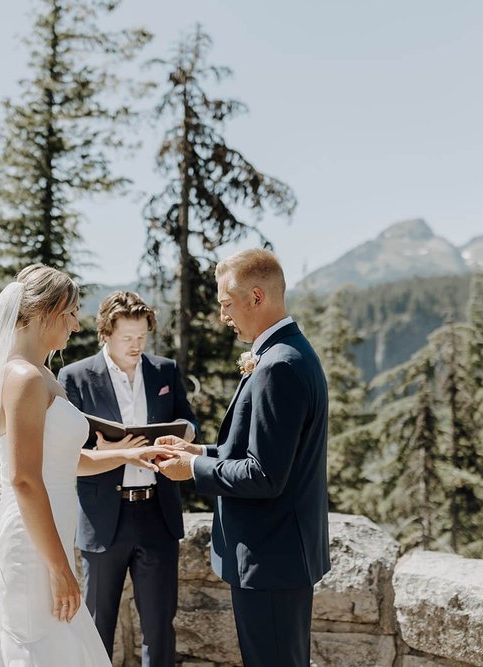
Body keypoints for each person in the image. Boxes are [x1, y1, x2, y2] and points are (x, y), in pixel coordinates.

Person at [0, 265, 178, 666]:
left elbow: (64, 461)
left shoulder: (43, 376)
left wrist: (126, 454)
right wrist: (59, 568)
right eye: (71, 313)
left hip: (51, 531)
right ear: (46, 312)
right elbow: (23, 478)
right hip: (30, 541)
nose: (76, 326)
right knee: (34, 645)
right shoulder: (22, 378)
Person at [155, 248, 331, 667]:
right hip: (280, 555)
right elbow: (263, 453)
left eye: (226, 304)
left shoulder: (278, 366)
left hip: (270, 558)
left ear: (257, 297)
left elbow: (264, 475)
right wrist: (198, 451)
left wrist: (192, 469)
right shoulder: (288, 352)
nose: (223, 316)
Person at [57, 291, 199, 667]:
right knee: (95, 625)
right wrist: (104, 449)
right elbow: (64, 448)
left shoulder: (165, 371)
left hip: (158, 514)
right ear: (106, 333)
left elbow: (189, 421)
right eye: (127, 338)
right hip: (104, 517)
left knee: (159, 626)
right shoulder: (74, 377)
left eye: (142, 337)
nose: (136, 345)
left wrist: (182, 436)